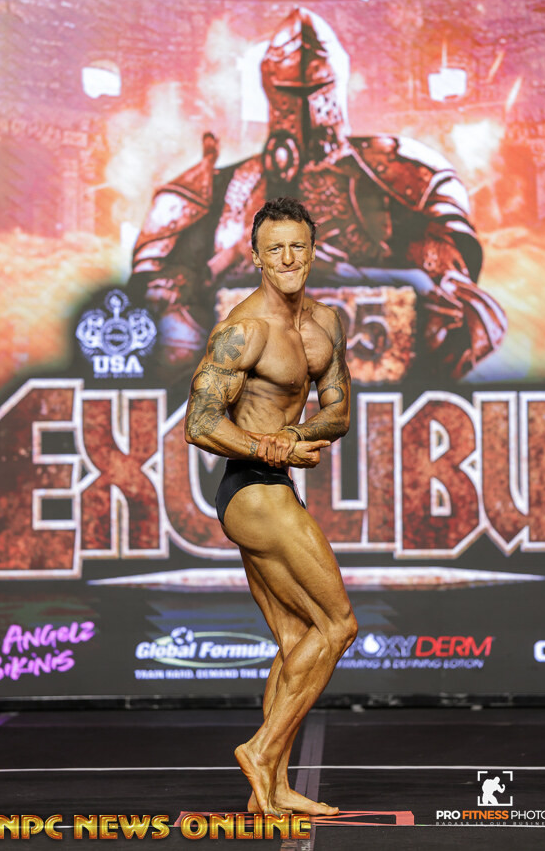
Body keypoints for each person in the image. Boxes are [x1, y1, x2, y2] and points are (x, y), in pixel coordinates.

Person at [130, 8, 506, 387]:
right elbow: (163, 294)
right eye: (291, 92)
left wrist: (389, 279)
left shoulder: (398, 171)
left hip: (372, 355)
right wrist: (185, 282)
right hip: (250, 370)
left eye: (314, 89)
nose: (304, 105)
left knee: (463, 316)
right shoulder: (229, 184)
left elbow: (450, 279)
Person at [185, 197, 357, 816]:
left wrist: (295, 435)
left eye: (297, 247)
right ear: (256, 256)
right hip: (250, 488)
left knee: (294, 639)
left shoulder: (325, 324)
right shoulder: (245, 329)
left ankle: (273, 788)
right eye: (274, 248)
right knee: (338, 625)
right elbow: (199, 422)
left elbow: (337, 411)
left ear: (312, 252)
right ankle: (261, 750)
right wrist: (267, 445)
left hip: (277, 481)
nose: (287, 258)